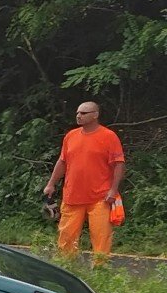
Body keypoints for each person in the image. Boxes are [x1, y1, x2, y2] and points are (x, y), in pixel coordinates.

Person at [43, 101, 126, 259]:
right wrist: (51, 184)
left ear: (95, 115)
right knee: (66, 236)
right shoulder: (71, 136)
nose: (78, 116)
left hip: (100, 197)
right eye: (77, 113)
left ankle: (101, 271)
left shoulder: (109, 136)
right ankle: (67, 268)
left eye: (83, 113)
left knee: (101, 238)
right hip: (72, 195)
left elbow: (119, 164)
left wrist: (113, 190)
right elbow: (62, 161)